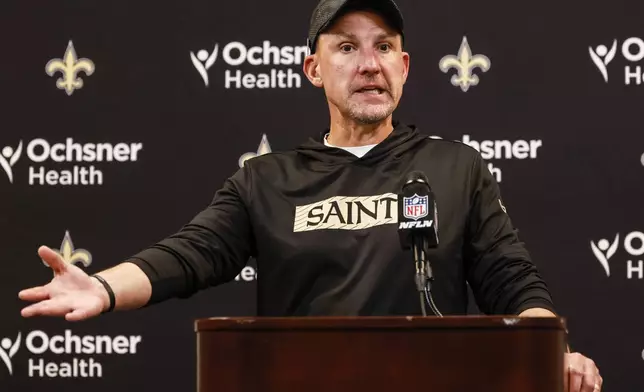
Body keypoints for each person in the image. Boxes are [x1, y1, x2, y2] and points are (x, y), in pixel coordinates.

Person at [18, 0, 601, 390]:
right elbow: (188, 255)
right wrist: (100, 286)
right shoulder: (267, 179)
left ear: (404, 65)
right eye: (346, 47)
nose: (368, 64)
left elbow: (514, 282)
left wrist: (553, 352)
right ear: (313, 69)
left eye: (383, 47)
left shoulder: (454, 168)